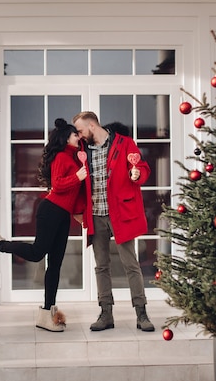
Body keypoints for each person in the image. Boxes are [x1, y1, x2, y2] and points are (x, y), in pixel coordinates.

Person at [0, 118, 87, 332]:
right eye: (75, 134)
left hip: (63, 215)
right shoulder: (61, 157)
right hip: (51, 210)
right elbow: (58, 185)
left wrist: (78, 213)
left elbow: (73, 191)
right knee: (38, 253)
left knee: (55, 264)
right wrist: (77, 176)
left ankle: (47, 314)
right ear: (66, 137)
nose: (79, 137)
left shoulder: (73, 157)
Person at [72, 111, 155, 332]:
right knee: (101, 266)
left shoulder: (124, 143)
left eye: (80, 131)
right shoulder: (82, 151)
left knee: (131, 265)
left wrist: (137, 175)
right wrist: (78, 211)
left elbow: (142, 168)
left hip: (120, 213)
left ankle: (141, 313)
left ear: (91, 126)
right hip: (95, 214)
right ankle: (106, 313)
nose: (79, 136)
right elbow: (79, 184)